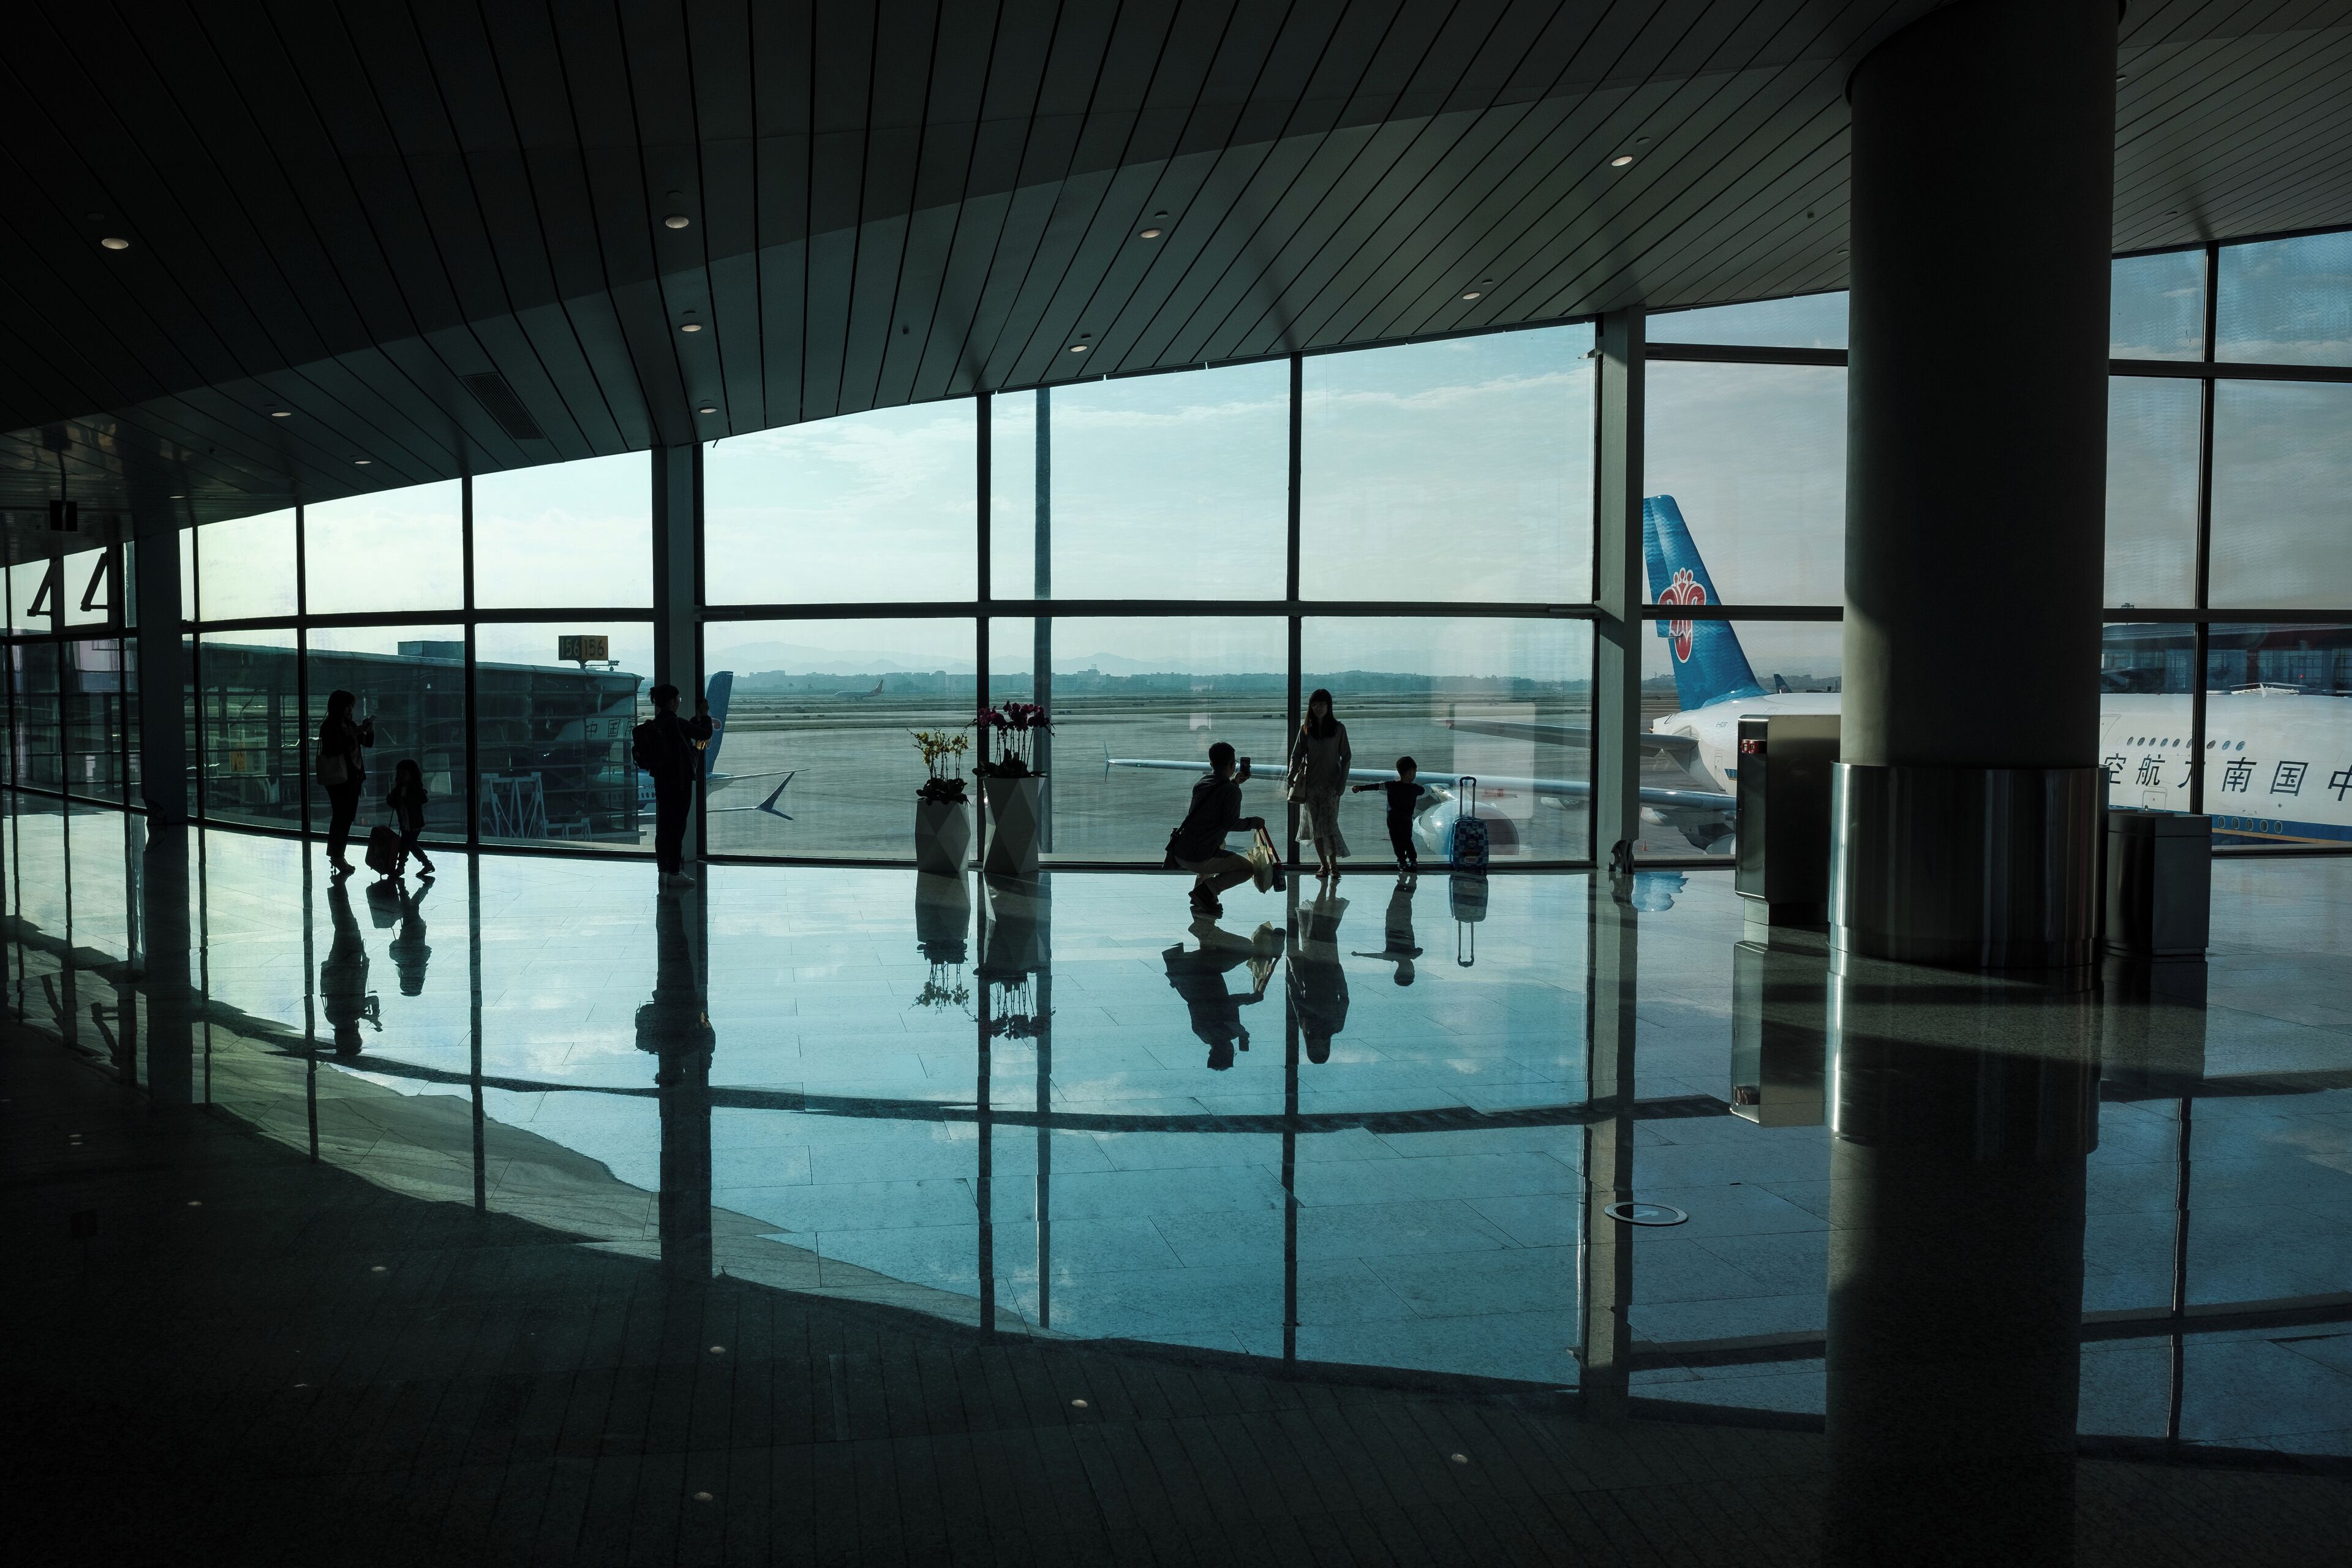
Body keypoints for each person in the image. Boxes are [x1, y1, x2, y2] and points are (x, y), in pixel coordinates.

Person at [1161, 918, 1283, 1071]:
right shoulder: (1204, 1034)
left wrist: (1251, 999)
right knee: (1219, 952)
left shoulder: (1225, 1033)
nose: (1233, 1051)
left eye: (1231, 1054)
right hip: (1186, 972)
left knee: (1246, 950)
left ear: (1226, 1053)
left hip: (1199, 969)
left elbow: (1228, 1003)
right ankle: (1206, 932)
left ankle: (1205, 930)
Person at [1164, 741, 1269, 916]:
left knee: (1220, 844)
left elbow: (1214, 803)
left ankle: (1201, 893)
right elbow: (1230, 823)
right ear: (1233, 765)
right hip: (1199, 857)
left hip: (1181, 852)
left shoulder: (1202, 783)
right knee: (1247, 869)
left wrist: (1234, 783)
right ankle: (1207, 891)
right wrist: (1254, 822)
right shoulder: (1232, 792)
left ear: (1211, 764)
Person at [635, 683, 713, 888]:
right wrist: (705, 715)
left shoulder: (655, 725)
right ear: (671, 701)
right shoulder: (677, 723)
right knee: (677, 828)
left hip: (662, 780)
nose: (679, 702)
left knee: (664, 828)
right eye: (678, 699)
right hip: (680, 781)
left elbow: (683, 738)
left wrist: (695, 720)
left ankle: (663, 872)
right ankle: (675, 872)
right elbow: (704, 734)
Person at [1289, 688, 1351, 883]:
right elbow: (1297, 754)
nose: (1318, 708)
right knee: (1316, 828)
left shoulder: (1339, 729)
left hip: (1332, 787)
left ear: (1328, 706)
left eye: (1322, 704)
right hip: (1311, 786)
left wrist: (1342, 784)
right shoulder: (1306, 729)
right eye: (1315, 704)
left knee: (1330, 826)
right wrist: (1292, 773)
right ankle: (1324, 865)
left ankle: (1334, 865)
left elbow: (1346, 756)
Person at [1286, 889, 1350, 1065]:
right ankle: (1328, 892)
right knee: (1324, 932)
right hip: (1327, 971)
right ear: (1327, 1048)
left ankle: (1328, 892)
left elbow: (1296, 1000)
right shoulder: (1334, 1026)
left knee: (1319, 931)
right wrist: (1340, 974)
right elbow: (1344, 999)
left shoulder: (1309, 1026)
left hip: (1314, 971)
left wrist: (1291, 979)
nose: (1319, 1045)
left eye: (1315, 1049)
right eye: (1322, 1049)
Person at [315, 689, 374, 876]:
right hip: (339, 779)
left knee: (346, 818)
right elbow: (333, 749)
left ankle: (338, 855)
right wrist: (356, 732)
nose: (350, 710)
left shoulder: (349, 725)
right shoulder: (329, 726)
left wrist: (368, 730)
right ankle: (337, 856)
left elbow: (368, 743)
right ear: (339, 707)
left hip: (353, 778)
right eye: (348, 706)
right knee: (341, 817)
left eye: (352, 707)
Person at [1351, 755, 1428, 879]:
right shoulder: (1415, 788)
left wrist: (1361, 788)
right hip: (1407, 820)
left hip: (1393, 820)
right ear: (1411, 772)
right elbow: (1423, 791)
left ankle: (1402, 862)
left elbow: (1376, 786)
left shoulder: (1391, 785)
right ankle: (1413, 860)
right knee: (1408, 840)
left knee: (1396, 841)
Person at [1353, 877, 1425, 986]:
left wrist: (1361, 955)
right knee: (1398, 899)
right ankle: (1404, 881)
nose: (1413, 969)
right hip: (1392, 923)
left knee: (1405, 899)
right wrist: (1361, 954)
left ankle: (1411, 880)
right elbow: (1376, 956)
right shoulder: (1391, 956)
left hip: (1403, 921)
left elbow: (1420, 950)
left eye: (1412, 971)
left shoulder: (1412, 954)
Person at [383, 758, 434, 878]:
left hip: (412, 825)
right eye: (400, 774)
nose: (401, 776)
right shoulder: (409, 788)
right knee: (411, 846)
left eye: (404, 774)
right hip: (411, 824)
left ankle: (401, 867)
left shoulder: (409, 789)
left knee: (405, 846)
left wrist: (400, 800)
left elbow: (392, 801)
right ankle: (427, 865)